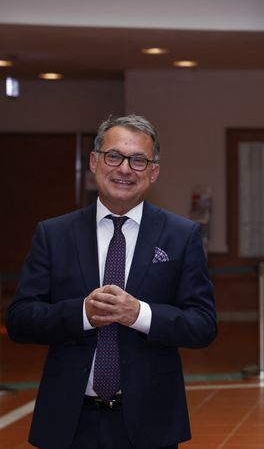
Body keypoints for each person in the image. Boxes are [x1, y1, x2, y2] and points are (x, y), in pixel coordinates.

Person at [6, 114, 217, 449]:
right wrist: (83, 314)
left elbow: (203, 325)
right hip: (68, 424)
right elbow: (19, 320)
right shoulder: (54, 234)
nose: (124, 169)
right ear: (94, 161)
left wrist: (140, 315)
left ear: (153, 172)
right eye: (114, 156)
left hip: (151, 424)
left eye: (138, 160)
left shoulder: (182, 236)